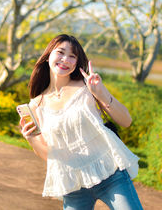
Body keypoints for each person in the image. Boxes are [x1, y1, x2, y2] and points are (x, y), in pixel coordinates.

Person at [20, 34, 143, 210]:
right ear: (48, 56)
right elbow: (50, 156)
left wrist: (100, 93)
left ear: (77, 63)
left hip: (110, 173)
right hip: (74, 186)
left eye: (72, 56)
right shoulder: (36, 105)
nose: (65, 59)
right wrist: (31, 138)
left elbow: (126, 121)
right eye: (61, 52)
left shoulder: (87, 86)